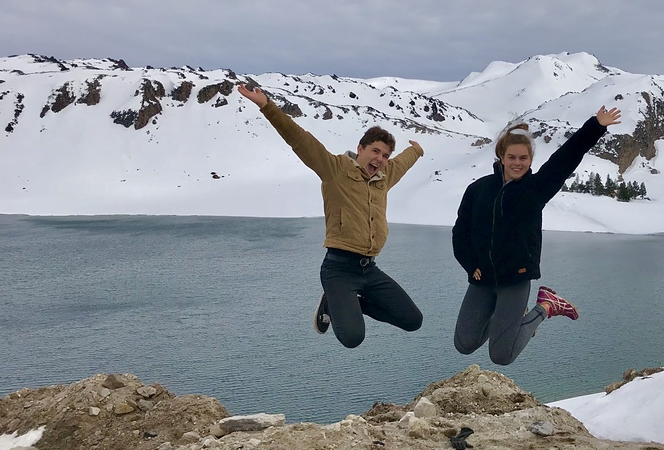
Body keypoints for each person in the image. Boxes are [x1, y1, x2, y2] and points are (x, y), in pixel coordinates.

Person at [237, 83, 425, 349]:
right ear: (360, 149)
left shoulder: (384, 177)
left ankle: (352, 303)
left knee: (412, 320)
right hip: (339, 269)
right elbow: (300, 139)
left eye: (385, 155)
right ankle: (333, 301)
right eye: (375, 151)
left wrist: (417, 150)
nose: (380, 159)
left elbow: (403, 162)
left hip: (370, 269)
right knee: (352, 338)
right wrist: (267, 106)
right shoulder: (335, 170)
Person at [452, 105, 623, 365]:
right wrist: (470, 263)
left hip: (515, 278)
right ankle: (508, 318)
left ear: (530, 160)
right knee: (464, 344)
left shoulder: (536, 189)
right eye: (512, 157)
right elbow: (460, 232)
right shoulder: (478, 190)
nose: (517, 163)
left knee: (501, 355)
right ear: (501, 156)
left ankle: (546, 306)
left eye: (523, 158)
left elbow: (567, 156)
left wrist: (595, 127)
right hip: (482, 278)